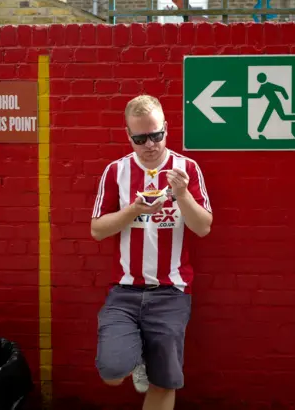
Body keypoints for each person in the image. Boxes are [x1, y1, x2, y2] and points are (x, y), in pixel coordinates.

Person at [90, 94, 213, 410]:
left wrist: (182, 194)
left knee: (164, 381)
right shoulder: (116, 172)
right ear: (128, 136)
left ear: (166, 129)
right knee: (112, 372)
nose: (150, 145)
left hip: (171, 292)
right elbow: (97, 230)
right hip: (125, 292)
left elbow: (203, 227)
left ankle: (150, 360)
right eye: (140, 138)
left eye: (156, 135)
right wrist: (134, 209)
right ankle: (139, 357)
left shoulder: (186, 168)